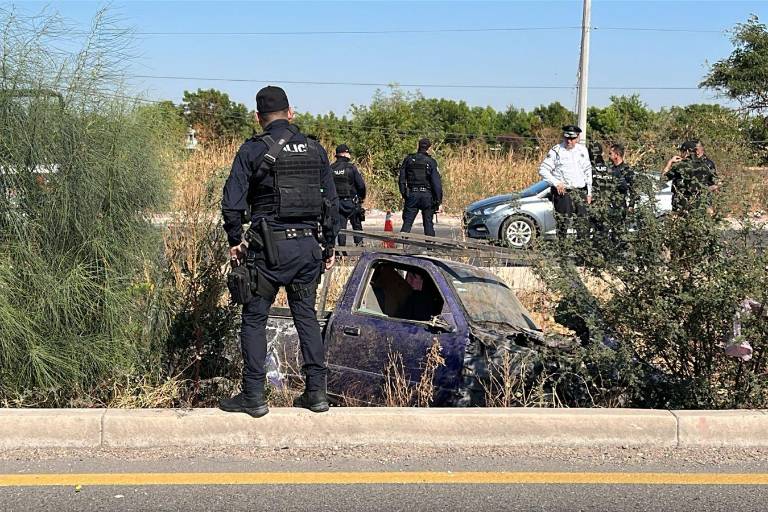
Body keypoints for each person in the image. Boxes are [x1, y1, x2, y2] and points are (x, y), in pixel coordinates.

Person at [220, 86, 339, 417]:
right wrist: (329, 245)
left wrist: (235, 239)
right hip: (307, 249)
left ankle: (254, 396)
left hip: (267, 251)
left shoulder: (252, 150)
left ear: (258, 118)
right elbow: (332, 204)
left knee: (254, 318)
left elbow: (231, 204)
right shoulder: (316, 150)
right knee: (307, 318)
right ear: (291, 113)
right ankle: (316, 393)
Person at [538, 125, 593, 241]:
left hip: (579, 191)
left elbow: (588, 171)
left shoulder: (582, 150)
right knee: (563, 223)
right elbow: (543, 169)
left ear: (577, 138)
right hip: (563, 192)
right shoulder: (556, 150)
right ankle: (562, 250)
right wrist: (556, 182)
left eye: (572, 139)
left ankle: (583, 250)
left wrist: (589, 192)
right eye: (566, 138)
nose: (569, 141)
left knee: (583, 223)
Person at [398, 138, 443, 237]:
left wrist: (405, 194)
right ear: (429, 148)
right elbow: (436, 184)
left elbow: (401, 179)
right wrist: (438, 201)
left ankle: (401, 245)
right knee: (428, 224)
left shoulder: (408, 160)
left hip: (412, 194)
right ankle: (430, 248)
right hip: (427, 196)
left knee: (407, 223)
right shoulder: (431, 162)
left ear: (418, 146)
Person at [662, 140, 716, 214]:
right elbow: (715, 184)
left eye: (682, 151)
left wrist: (670, 162)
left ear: (687, 151)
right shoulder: (706, 166)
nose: (681, 154)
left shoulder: (680, 166)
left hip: (681, 206)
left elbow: (663, 178)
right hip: (700, 206)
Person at [331, 144, 366, 247]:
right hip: (352, 202)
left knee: (341, 228)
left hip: (337, 202)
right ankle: (359, 247)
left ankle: (342, 252)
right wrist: (361, 198)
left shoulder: (331, 168)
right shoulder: (351, 168)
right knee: (357, 225)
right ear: (345, 154)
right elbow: (361, 185)